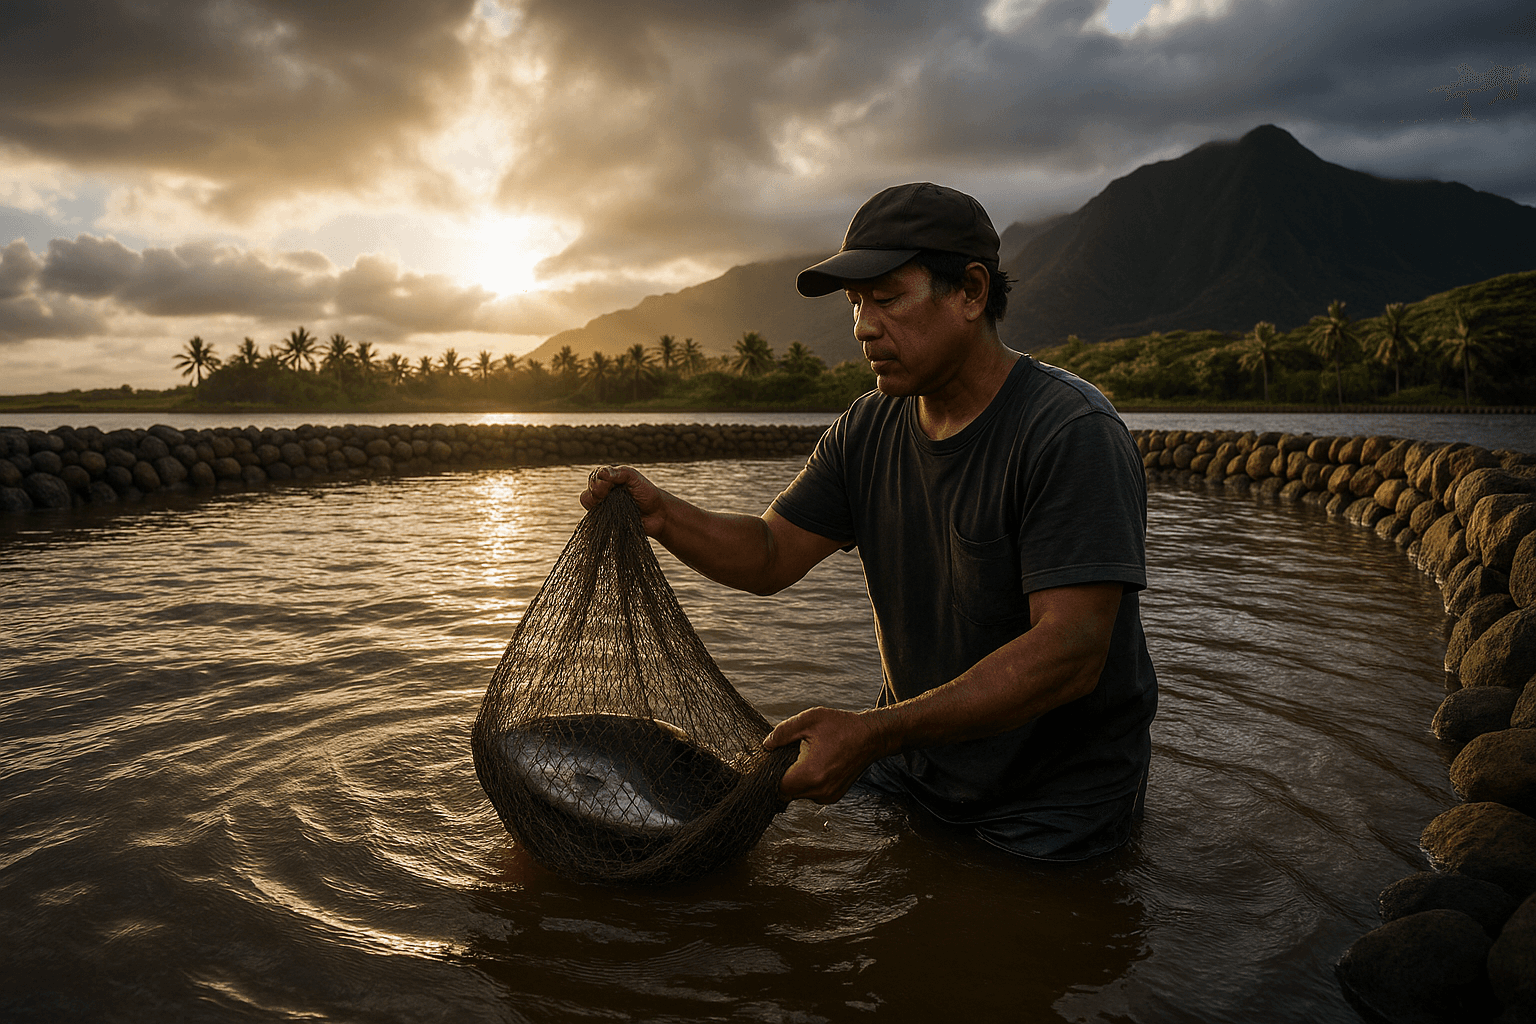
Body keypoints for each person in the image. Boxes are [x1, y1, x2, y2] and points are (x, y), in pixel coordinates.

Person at [582, 182, 1156, 862]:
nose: (862, 326)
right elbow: (769, 553)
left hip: (1051, 806)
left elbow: (1070, 654)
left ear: (971, 292)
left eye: (886, 298)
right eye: (856, 303)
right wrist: (664, 515)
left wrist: (875, 732)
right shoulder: (868, 427)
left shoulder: (1069, 432)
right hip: (915, 766)